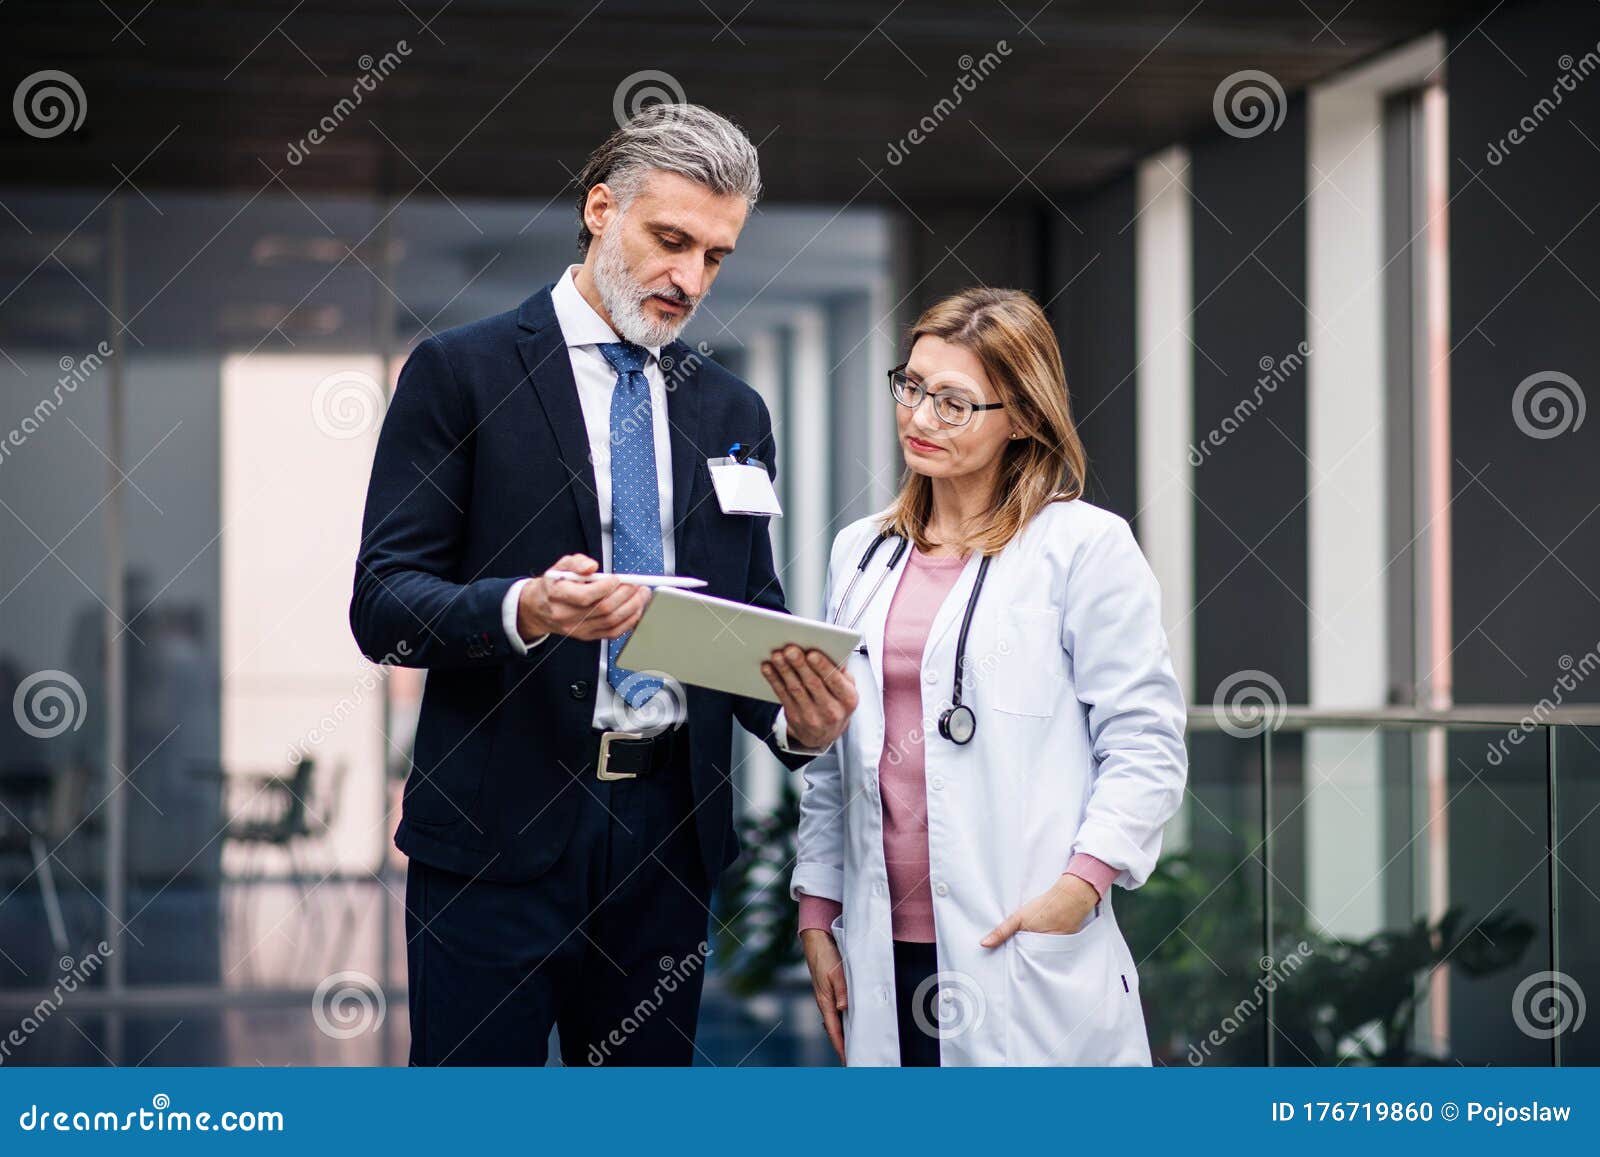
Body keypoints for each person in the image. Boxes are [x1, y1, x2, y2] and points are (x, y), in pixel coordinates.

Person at [350, 104, 856, 1066]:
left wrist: (799, 719)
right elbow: (383, 602)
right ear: (598, 209)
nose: (689, 280)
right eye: (671, 241)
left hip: (669, 839)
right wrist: (525, 608)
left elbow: (745, 619)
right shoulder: (461, 374)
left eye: (716, 256)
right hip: (499, 835)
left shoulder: (731, 409)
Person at [781, 287, 1187, 1066]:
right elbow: (840, 760)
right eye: (912, 386)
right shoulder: (861, 552)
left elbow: (1145, 743)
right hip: (879, 940)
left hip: (1017, 935)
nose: (920, 418)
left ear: (1024, 417)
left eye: (955, 402)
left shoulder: (1083, 547)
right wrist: (816, 910)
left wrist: (1082, 886)